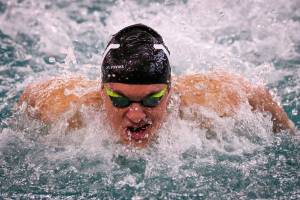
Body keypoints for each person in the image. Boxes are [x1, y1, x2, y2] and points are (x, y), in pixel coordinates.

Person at [19, 24, 295, 148]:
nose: (137, 115)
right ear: (101, 91)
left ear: (170, 92)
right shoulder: (63, 105)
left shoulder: (208, 101)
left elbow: (255, 94)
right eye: (119, 99)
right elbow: (29, 95)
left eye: (152, 99)